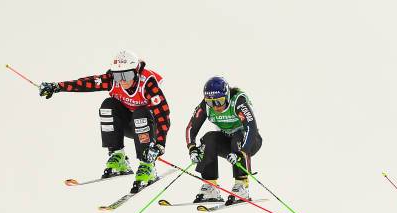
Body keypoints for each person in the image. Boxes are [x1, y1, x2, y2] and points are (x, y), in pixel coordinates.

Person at [38, 50, 170, 193]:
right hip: (127, 125)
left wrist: (159, 146)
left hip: (148, 127)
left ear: (137, 71)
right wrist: (57, 87)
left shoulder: (148, 83)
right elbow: (86, 83)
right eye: (118, 76)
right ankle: (118, 157)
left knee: (140, 112)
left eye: (127, 75)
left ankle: (147, 165)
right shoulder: (113, 80)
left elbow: (162, 115)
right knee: (108, 105)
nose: (123, 80)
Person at [185, 76, 262, 204]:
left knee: (237, 137)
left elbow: (251, 127)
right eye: (210, 102)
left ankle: (241, 185)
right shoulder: (206, 105)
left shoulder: (238, 101)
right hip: (229, 141)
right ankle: (211, 186)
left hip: (249, 141)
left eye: (219, 101)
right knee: (209, 138)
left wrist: (241, 152)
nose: (215, 106)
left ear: (226, 96)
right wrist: (192, 148)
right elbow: (191, 127)